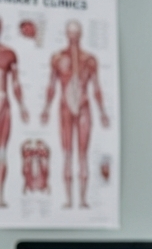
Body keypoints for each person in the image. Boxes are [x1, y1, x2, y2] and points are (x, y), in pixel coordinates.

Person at [41, 19, 110, 209]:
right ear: (67, 34)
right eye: (70, 34)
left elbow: (96, 88)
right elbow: (52, 85)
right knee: (67, 153)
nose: (73, 38)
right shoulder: (57, 58)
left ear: (80, 35)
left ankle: (82, 200)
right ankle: (69, 200)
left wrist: (103, 112)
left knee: (83, 154)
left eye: (76, 34)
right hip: (65, 106)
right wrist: (46, 108)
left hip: (84, 106)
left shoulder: (89, 60)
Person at [0, 16, 30, 207]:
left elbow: (16, 83)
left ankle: (0, 196)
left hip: (3, 103)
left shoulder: (9, 53)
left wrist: (22, 106)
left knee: (2, 152)